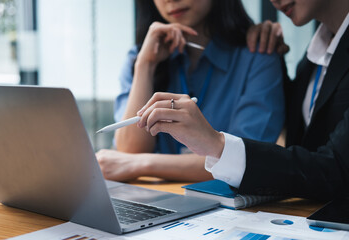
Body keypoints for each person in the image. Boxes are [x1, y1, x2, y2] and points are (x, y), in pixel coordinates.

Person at [137, 0, 349, 200]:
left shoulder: (257, 56)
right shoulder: (316, 55)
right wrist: (143, 66)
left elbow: (337, 168)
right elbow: (309, 153)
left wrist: (216, 144)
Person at [96, 0, 285, 182]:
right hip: (161, 198)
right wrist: (145, 66)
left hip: (226, 206)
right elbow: (130, 151)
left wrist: (143, 164)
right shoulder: (141, 57)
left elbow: (245, 159)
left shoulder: (258, 56)